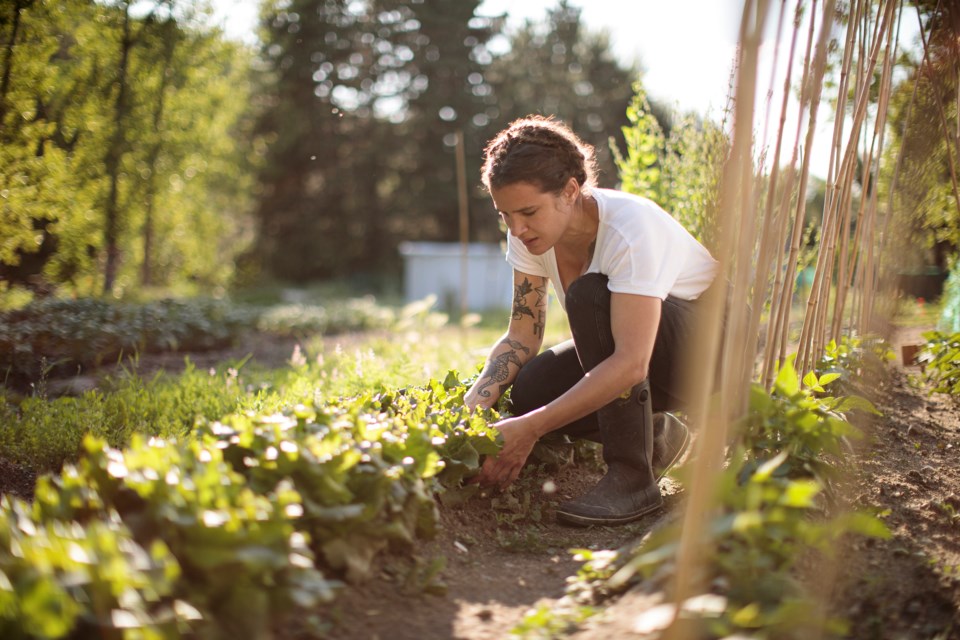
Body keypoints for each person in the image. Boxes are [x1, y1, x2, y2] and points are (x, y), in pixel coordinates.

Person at [463, 115, 719, 526]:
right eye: (505, 215)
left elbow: (632, 362)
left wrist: (530, 430)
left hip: (713, 348)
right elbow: (521, 336)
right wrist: (472, 406)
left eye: (528, 211)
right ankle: (657, 436)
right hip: (648, 353)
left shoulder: (630, 229)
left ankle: (633, 478)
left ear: (569, 191)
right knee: (532, 389)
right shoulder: (529, 236)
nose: (517, 228)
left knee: (588, 296)